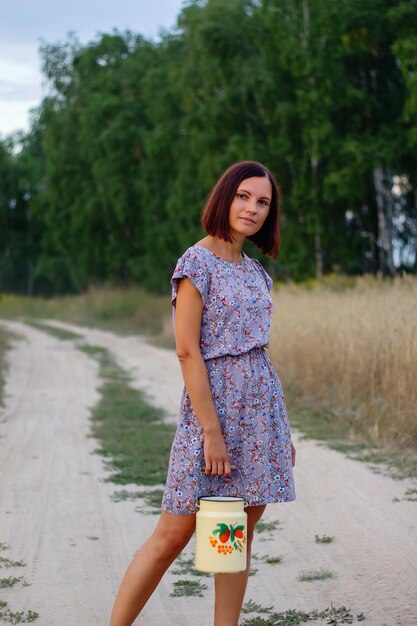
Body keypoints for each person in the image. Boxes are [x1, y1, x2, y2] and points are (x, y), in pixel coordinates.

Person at [109, 160, 296, 626]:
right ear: (225, 197)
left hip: (259, 416)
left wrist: (279, 430)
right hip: (213, 416)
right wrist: (211, 432)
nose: (252, 208)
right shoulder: (197, 263)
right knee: (172, 535)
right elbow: (188, 352)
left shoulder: (256, 272)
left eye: (262, 202)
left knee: (231, 535)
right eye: (243, 196)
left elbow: (259, 356)